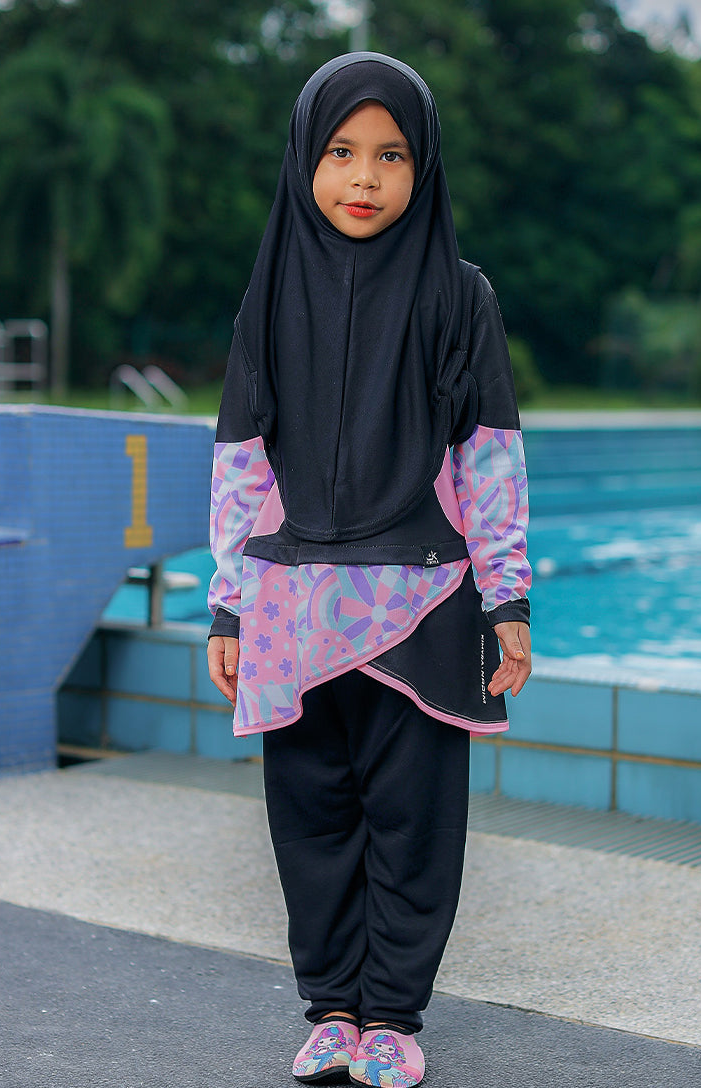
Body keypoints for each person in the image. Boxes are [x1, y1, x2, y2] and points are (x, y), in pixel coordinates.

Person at [207, 51, 531, 1088]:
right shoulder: (266, 299)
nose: (364, 176)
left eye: (391, 154)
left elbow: (489, 459)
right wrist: (227, 606)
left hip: (420, 602)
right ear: (305, 159)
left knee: (413, 823)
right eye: (342, 151)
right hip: (292, 608)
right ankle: (333, 1010)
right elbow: (242, 467)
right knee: (311, 821)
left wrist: (507, 595)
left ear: (422, 166)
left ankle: (391, 1015)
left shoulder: (458, 296)